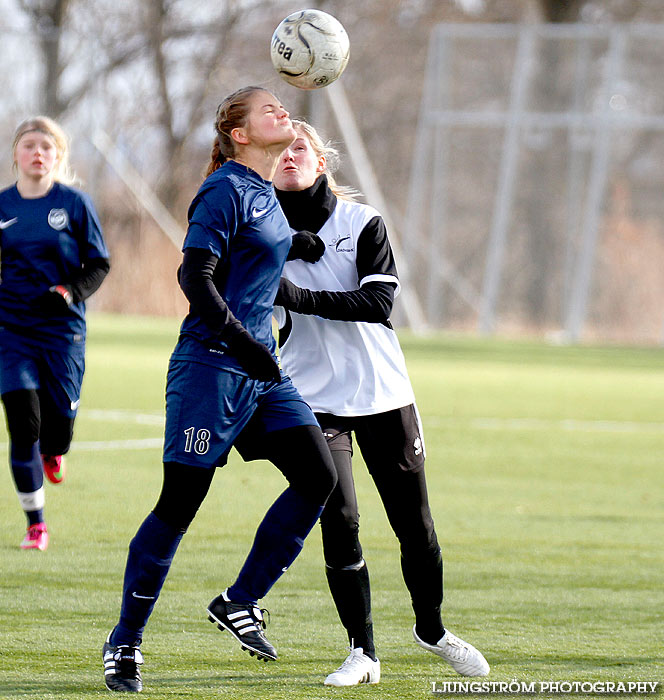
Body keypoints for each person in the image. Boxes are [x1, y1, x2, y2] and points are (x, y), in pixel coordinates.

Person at [102, 87, 337, 693]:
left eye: (284, 108)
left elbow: (270, 247)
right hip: (211, 368)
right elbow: (194, 276)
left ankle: (240, 600)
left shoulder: (263, 193)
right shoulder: (224, 189)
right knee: (178, 506)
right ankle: (124, 644)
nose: (282, 113)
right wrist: (240, 340)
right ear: (239, 133)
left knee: (318, 476)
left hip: (262, 375)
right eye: (269, 110)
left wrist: (304, 243)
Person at [272, 119, 490, 686]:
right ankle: (362, 652)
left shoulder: (362, 222)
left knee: (414, 524)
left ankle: (432, 629)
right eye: (280, 149)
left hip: (383, 394)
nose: (290, 155)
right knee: (339, 519)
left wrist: (298, 297)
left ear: (322, 163)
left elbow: (377, 303)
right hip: (310, 398)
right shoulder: (261, 230)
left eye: (301, 148)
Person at [0, 116, 110, 552]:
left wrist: (68, 292)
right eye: (29, 145)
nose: (38, 152)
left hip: (63, 332)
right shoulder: (3, 205)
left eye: (46, 146)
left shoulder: (76, 205)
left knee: (57, 429)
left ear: (59, 156)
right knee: (22, 423)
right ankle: (36, 524)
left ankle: (55, 449)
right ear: (16, 155)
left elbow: (99, 264)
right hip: (12, 331)